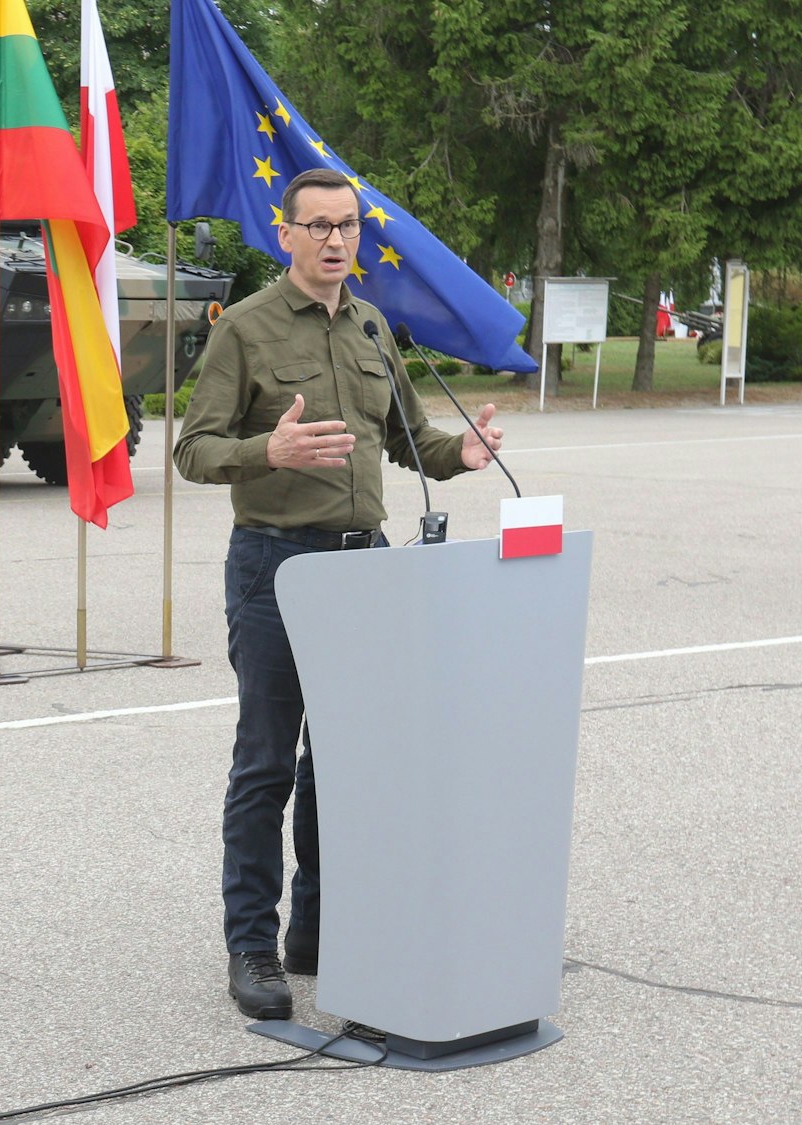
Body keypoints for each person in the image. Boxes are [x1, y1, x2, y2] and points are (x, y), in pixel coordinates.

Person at [171, 167, 504, 1023]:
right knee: (267, 763)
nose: (333, 239)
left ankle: (317, 930)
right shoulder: (243, 329)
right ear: (285, 234)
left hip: (368, 569)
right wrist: (265, 455)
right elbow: (194, 448)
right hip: (277, 568)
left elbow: (405, 436)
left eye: (346, 224)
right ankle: (252, 943)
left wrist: (456, 455)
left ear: (359, 233)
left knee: (346, 764)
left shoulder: (371, 325)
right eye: (315, 225)